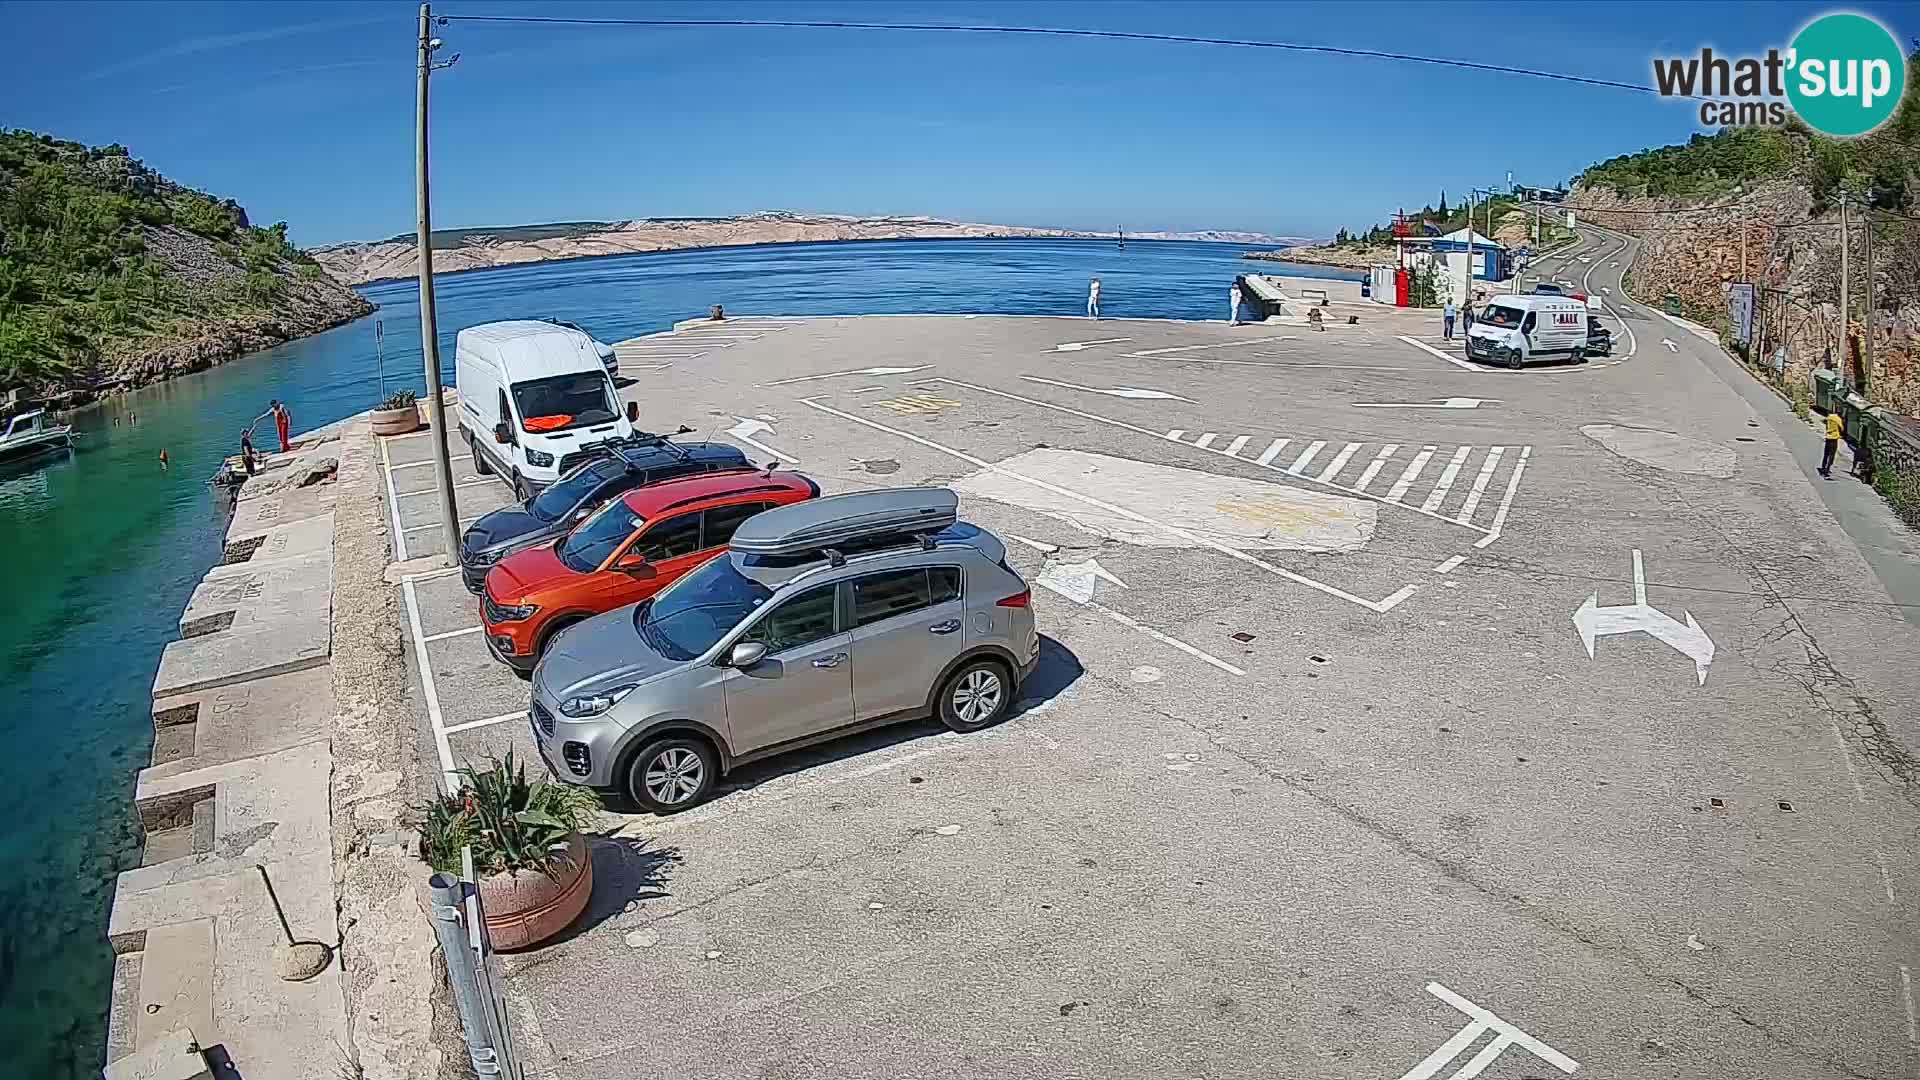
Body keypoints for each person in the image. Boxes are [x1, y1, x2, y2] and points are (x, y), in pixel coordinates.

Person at [1819, 409, 1843, 478]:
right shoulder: (1838, 419)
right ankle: (1827, 470)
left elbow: (1824, 422)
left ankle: (1823, 468)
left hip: (1828, 437)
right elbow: (1842, 428)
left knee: (1826, 454)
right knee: (1831, 455)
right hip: (1834, 438)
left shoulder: (1829, 417)